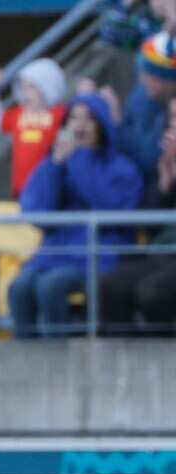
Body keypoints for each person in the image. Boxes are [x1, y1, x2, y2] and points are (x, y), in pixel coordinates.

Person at [9, 93, 143, 338]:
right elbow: (35, 211)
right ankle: (25, 356)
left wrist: (76, 159)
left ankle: (58, 355)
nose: (80, 126)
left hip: (99, 255)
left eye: (89, 118)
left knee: (50, 287)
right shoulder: (56, 162)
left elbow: (109, 208)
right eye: (74, 118)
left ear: (102, 125)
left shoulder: (122, 169)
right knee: (18, 288)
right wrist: (53, 166)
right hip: (54, 253)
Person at [102, 94, 176, 331]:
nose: (173, 128)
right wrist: (164, 184)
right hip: (162, 253)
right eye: (172, 119)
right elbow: (149, 224)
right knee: (110, 286)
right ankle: (122, 353)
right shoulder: (164, 166)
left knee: (153, 293)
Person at [0, 58, 69, 197]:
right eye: (23, 87)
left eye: (32, 87)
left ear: (48, 85)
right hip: (21, 189)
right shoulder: (18, 114)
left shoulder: (60, 113)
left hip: (50, 188)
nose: (26, 93)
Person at [116, 32, 176, 199]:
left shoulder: (163, 105)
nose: (143, 80)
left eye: (147, 75)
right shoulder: (146, 98)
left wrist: (116, 123)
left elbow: (146, 157)